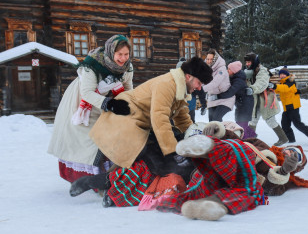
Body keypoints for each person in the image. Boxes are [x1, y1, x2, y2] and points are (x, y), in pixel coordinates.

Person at [89, 56, 213, 178]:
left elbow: (182, 118)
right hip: (126, 117)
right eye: (199, 83)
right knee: (140, 154)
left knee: (148, 154)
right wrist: (171, 151)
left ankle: (112, 182)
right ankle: (105, 183)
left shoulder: (180, 89)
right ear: (188, 76)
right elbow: (160, 119)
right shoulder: (167, 85)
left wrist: (192, 135)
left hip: (141, 121)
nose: (199, 88)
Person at [47, 34, 133, 183]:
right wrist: (110, 104)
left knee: (110, 134)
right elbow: (87, 93)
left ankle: (110, 176)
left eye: (126, 54)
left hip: (106, 98)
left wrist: (129, 102)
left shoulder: (127, 67)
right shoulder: (92, 65)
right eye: (120, 54)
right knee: (87, 138)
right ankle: (88, 179)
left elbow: (128, 87)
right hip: (82, 101)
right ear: (111, 52)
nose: (123, 58)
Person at [156, 134, 267, 221]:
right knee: (247, 188)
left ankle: (210, 148)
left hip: (211, 169)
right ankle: (214, 204)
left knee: (206, 190)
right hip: (237, 156)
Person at [244, 52, 288, 146]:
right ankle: (249, 140)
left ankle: (283, 138)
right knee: (253, 119)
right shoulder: (248, 72)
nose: (247, 64)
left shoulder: (263, 71)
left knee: (270, 120)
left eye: (249, 62)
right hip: (256, 101)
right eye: (246, 62)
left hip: (266, 100)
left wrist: (251, 89)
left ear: (254, 62)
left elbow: (261, 83)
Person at [269, 67, 308, 143]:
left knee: (297, 124)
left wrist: (275, 86)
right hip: (287, 107)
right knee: (285, 124)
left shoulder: (290, 82)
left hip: (293, 106)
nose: (281, 76)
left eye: (283, 74)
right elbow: (279, 90)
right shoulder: (282, 83)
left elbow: (285, 88)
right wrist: (271, 88)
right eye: (280, 74)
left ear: (287, 75)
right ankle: (291, 139)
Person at [215, 60, 256, 138]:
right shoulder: (234, 78)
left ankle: (246, 141)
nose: (228, 70)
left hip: (246, 104)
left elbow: (230, 92)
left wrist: (217, 96)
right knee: (240, 122)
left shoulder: (238, 81)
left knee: (241, 124)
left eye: (229, 69)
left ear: (234, 71)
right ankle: (252, 136)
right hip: (242, 103)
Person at [202, 49, 234, 122]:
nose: (209, 61)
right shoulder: (207, 70)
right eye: (208, 59)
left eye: (211, 59)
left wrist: (201, 89)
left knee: (216, 119)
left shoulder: (221, 69)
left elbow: (214, 83)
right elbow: (203, 81)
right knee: (211, 121)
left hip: (224, 99)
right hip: (212, 99)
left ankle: (222, 132)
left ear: (215, 60)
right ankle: (214, 133)